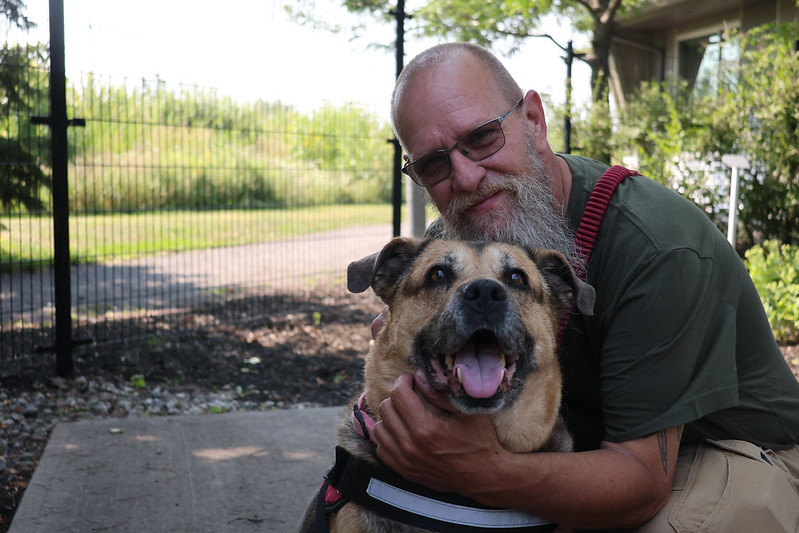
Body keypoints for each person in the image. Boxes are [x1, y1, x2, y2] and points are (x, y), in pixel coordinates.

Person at [370, 41, 799, 532]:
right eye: (433, 164)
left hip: (730, 453)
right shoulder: (460, 240)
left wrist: (481, 470)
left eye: (484, 137)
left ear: (533, 120)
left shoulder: (656, 248)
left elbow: (640, 481)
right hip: (590, 449)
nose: (465, 177)